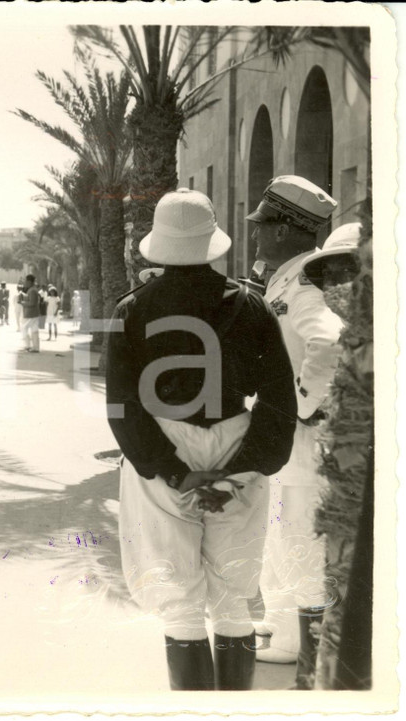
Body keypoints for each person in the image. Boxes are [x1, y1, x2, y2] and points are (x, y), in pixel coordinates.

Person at [107, 188, 297, 691]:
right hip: (237, 441)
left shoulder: (132, 309)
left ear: (159, 245)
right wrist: (244, 469)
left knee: (180, 603)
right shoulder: (253, 307)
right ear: (213, 243)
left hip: (162, 445)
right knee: (235, 598)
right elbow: (279, 398)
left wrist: (173, 470)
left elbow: (122, 404)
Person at [245, 176, 340, 685]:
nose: (257, 236)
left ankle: (298, 642)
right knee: (277, 531)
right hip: (285, 432)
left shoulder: (304, 282)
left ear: (286, 231)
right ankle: (280, 626)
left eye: (264, 227)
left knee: (296, 531)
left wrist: (301, 406)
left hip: (302, 436)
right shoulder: (285, 275)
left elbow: (326, 344)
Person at [21, 275, 41, 352]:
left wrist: (23, 303)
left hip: (31, 314)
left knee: (24, 328)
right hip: (34, 314)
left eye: (25, 281)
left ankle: (28, 345)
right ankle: (36, 347)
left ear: (29, 282)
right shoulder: (33, 290)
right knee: (34, 331)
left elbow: (32, 303)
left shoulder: (32, 290)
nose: (25, 283)